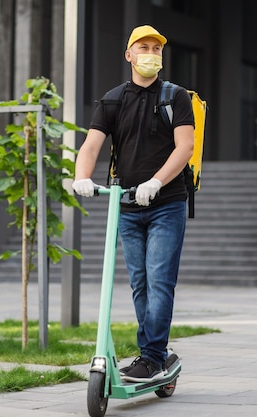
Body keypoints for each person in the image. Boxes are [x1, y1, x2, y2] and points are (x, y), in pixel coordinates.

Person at [72, 25, 195, 383]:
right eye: (144, 47)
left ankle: (152, 357)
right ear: (129, 55)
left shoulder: (175, 97)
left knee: (159, 281)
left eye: (157, 49)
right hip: (124, 205)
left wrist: (157, 181)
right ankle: (154, 354)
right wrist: (82, 176)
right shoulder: (113, 99)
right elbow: (91, 146)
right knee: (139, 284)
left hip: (166, 204)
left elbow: (184, 147)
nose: (151, 53)